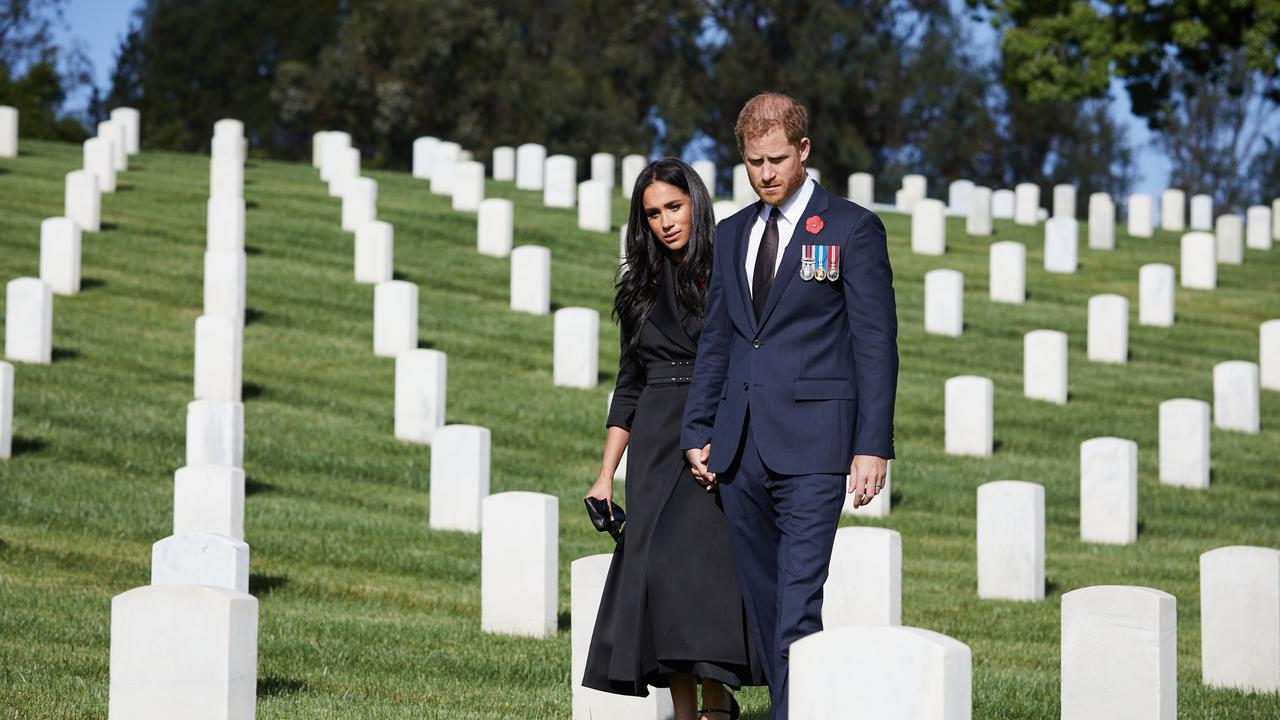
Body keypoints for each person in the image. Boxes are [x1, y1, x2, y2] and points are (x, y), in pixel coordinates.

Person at [680, 93, 899, 720]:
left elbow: (875, 343)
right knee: (767, 602)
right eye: (753, 162)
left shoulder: (852, 229)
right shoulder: (731, 234)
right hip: (740, 448)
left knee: (799, 602)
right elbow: (718, 339)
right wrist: (699, 428)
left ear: (803, 150)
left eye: (777, 159)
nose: (766, 173)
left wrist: (872, 443)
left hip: (816, 449)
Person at [583, 158, 764, 720]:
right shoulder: (637, 286)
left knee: (700, 574)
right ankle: (688, 712)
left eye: (674, 207)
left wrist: (722, 433)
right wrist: (605, 473)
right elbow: (628, 385)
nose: (665, 221)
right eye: (653, 213)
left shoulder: (729, 267)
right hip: (657, 438)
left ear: (697, 204)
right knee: (658, 574)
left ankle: (715, 706)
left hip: (712, 426)